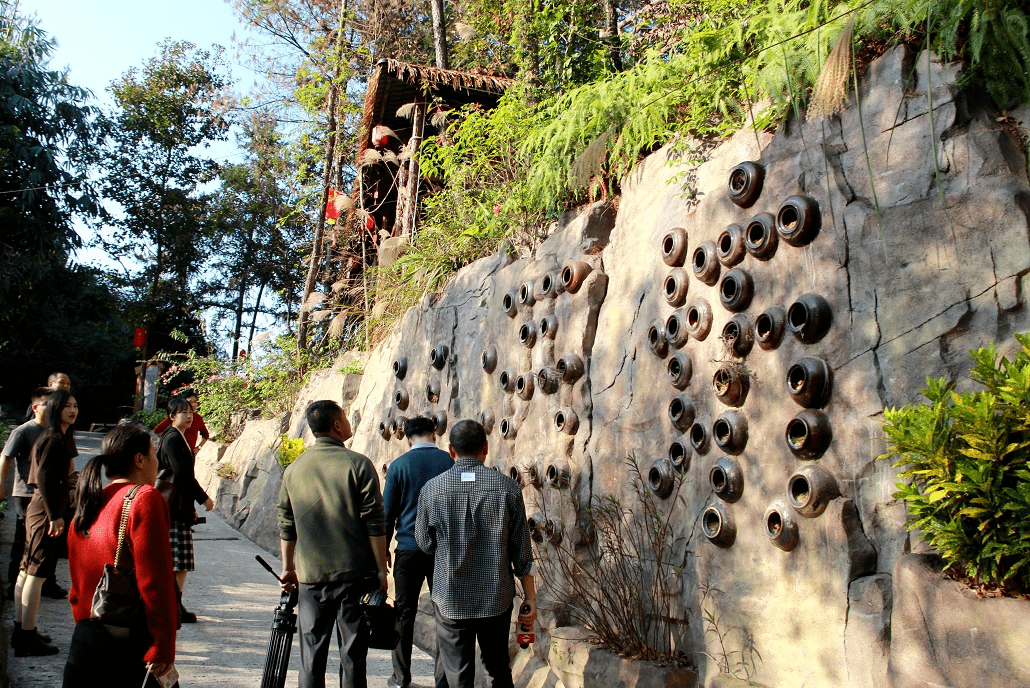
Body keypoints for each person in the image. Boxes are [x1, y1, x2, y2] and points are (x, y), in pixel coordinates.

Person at [415, 419, 537, 688]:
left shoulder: (431, 490)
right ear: (486, 447)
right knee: (497, 668)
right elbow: (522, 551)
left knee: (457, 672)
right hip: (496, 596)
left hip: (450, 596)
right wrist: (530, 597)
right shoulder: (508, 488)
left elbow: (424, 542)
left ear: (450, 450)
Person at [278, 400, 389, 688]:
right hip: (354, 577)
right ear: (337, 425)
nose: (348, 421)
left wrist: (288, 568)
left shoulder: (294, 470)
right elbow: (374, 523)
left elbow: (287, 525)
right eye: (345, 416)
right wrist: (381, 571)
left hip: (310, 578)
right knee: (353, 655)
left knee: (310, 656)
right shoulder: (359, 465)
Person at [64, 423, 178, 687]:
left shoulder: (91, 500)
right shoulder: (145, 498)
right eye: (153, 454)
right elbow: (155, 581)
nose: (157, 463)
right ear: (139, 459)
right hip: (127, 644)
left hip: (85, 637)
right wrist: (163, 644)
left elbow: (77, 578)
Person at [382, 416, 453, 688]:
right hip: (442, 553)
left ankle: (401, 678)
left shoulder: (399, 466)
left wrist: (385, 550)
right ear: (433, 435)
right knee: (444, 614)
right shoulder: (449, 463)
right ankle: (442, 681)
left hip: (408, 550)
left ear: (409, 439)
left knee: (403, 613)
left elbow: (387, 515)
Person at [14, 389, 78, 656]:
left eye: (75, 406)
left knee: (27, 570)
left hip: (41, 509)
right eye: (67, 406)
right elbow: (43, 479)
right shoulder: (53, 439)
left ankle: (22, 630)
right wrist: (55, 515)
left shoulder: (57, 437)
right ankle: (27, 638)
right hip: (44, 512)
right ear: (54, 409)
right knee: (36, 574)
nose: (73, 410)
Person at [157, 397, 214, 624]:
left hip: (178, 506)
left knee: (180, 562)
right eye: (183, 412)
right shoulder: (172, 438)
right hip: (173, 507)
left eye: (190, 411)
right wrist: (203, 499)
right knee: (178, 561)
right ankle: (172, 607)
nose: (189, 416)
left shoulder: (178, 436)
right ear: (172, 416)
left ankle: (175, 605)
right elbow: (183, 476)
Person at [1, 388, 60, 601]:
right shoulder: (24, 431)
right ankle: (13, 585)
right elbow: (5, 458)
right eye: (47, 404)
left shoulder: (57, 430)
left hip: (48, 493)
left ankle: (46, 582)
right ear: (35, 407)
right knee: (22, 541)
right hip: (26, 493)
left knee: (48, 540)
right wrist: (1, 488)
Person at [153, 389, 209, 455]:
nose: (193, 405)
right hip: (174, 453)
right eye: (190, 402)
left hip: (190, 454)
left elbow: (205, 435)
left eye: (195, 402)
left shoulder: (197, 418)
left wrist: (198, 447)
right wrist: (169, 443)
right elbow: (158, 430)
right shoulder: (176, 416)